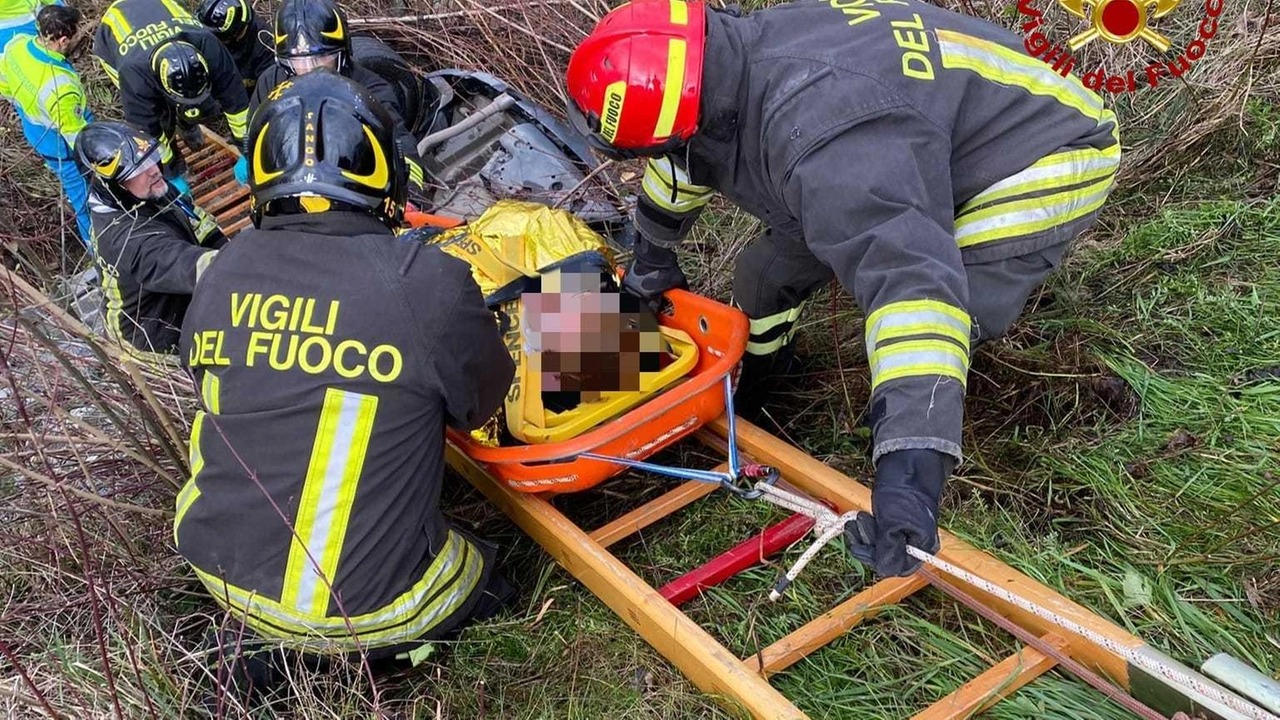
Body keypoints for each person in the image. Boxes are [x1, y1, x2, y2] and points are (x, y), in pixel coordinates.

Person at [564, 0, 1121, 577]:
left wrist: (909, 478)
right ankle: (769, 383)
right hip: (916, 128)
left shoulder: (829, 142)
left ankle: (927, 432)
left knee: (954, 301)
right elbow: (681, 166)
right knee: (764, 277)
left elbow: (913, 288)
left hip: (1045, 147)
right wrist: (650, 263)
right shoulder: (722, 68)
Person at [176, 70, 514, 697]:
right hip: (364, 614)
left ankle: (273, 651)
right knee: (489, 571)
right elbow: (484, 404)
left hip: (219, 571)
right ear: (385, 175)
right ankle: (387, 652)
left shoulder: (221, 271)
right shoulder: (425, 281)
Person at [237, 0, 426, 206]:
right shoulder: (270, 83)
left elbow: (401, 147)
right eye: (299, 60)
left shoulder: (370, 90)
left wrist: (409, 197)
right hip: (291, 186)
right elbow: (256, 134)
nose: (310, 69)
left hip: (351, 186)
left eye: (322, 57)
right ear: (283, 61)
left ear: (343, 52)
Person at [75, 120, 225, 362]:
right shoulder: (126, 239)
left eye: (150, 158)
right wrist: (252, 264)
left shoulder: (148, 190)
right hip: (152, 342)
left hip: (178, 301)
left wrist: (228, 247)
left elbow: (200, 224)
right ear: (112, 185)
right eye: (137, 170)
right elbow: (192, 267)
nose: (153, 169)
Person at [92, 0, 250, 193]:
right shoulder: (134, 77)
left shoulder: (209, 45)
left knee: (205, 105)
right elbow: (148, 134)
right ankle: (177, 163)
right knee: (162, 120)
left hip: (156, 7)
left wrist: (247, 150)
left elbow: (237, 102)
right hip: (114, 42)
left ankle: (187, 125)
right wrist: (169, 174)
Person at [0, 4, 94, 247]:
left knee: (78, 196)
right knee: (88, 202)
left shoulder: (17, 45)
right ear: (63, 40)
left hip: (37, 134)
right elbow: (78, 139)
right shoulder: (60, 88)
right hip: (63, 148)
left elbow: (6, 86)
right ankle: (101, 252)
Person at [194, 0, 272, 93]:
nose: (210, 40)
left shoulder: (265, 45)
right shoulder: (202, 36)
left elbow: (267, 92)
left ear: (237, 34)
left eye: (217, 37)